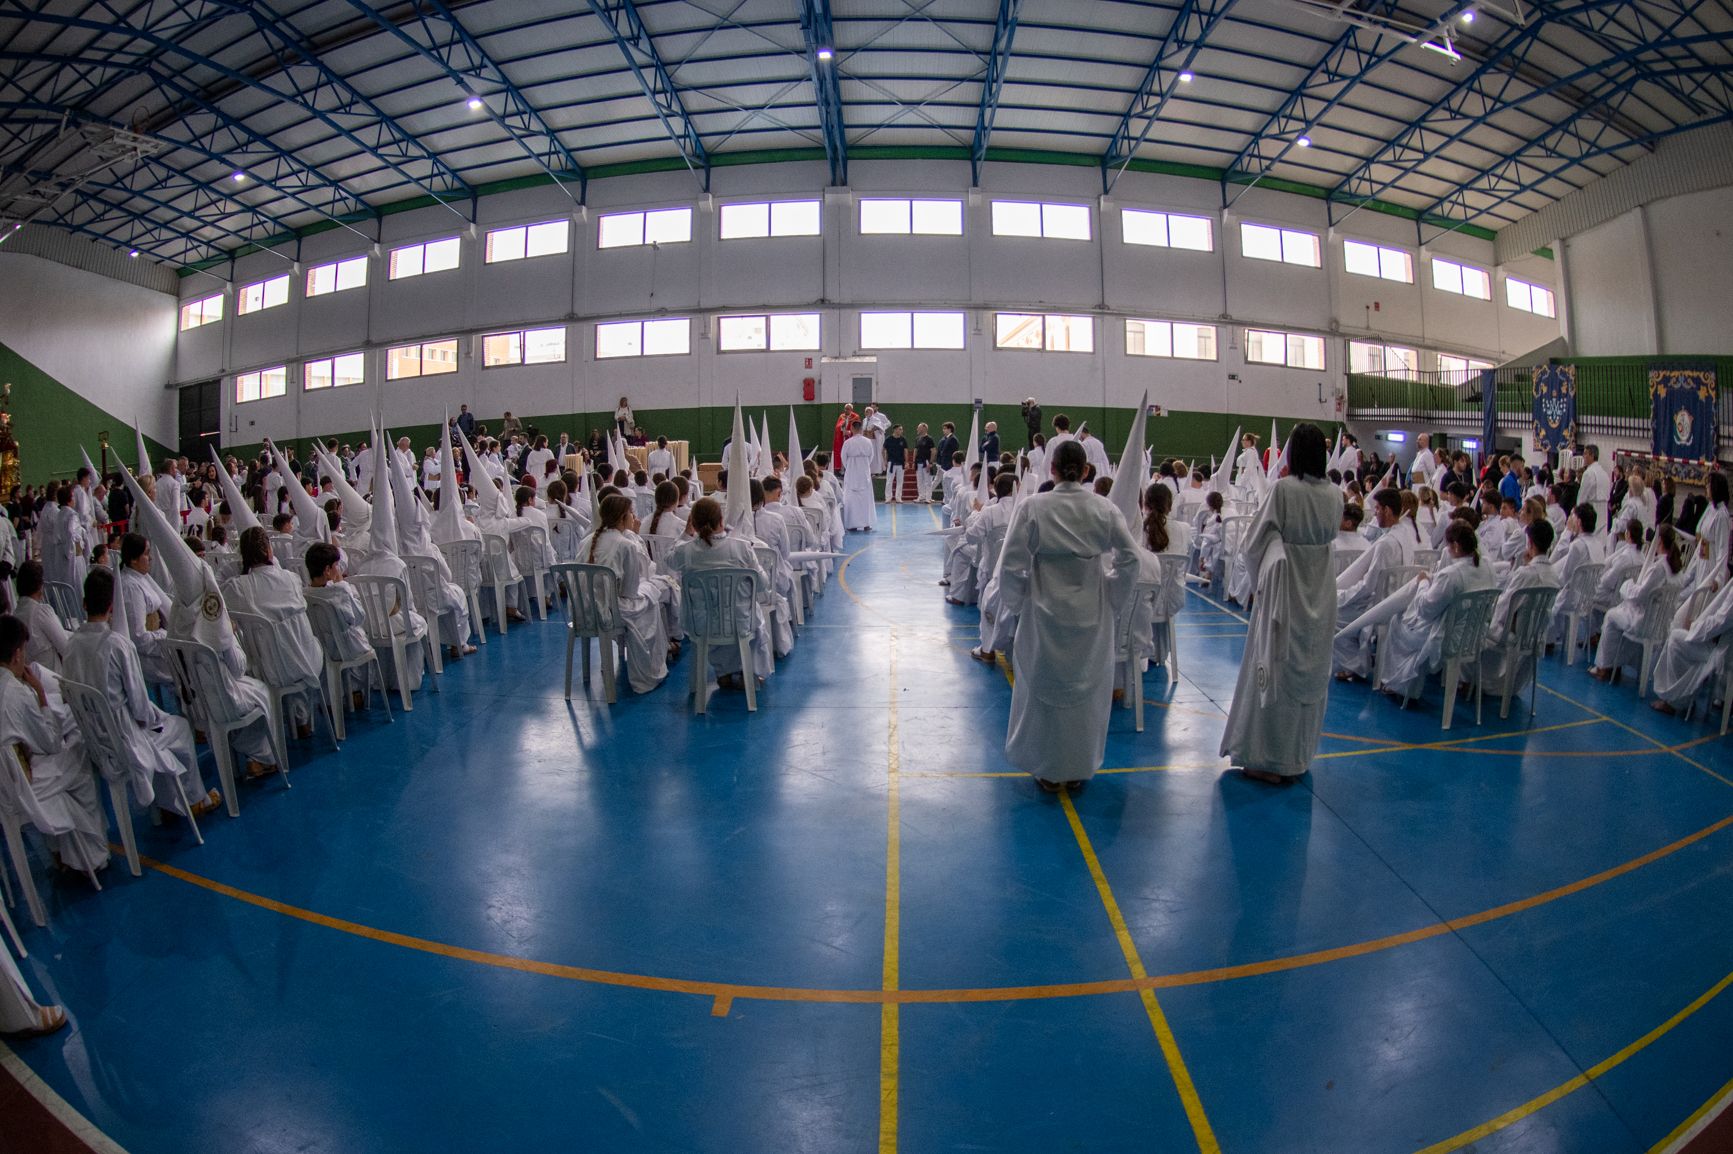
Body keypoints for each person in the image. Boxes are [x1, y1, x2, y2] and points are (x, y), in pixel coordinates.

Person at [997, 440, 1140, 791]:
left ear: (1052, 469)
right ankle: (1078, 766)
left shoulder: (1034, 507)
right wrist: (1113, 595)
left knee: (1042, 684)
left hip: (1044, 604)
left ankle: (1047, 766)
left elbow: (1011, 564)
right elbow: (1131, 559)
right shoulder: (1104, 510)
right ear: (1087, 470)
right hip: (1091, 605)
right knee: (1085, 690)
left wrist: (1018, 603)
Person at [1219, 423, 1340, 784]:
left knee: (1276, 663)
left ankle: (1269, 757)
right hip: (1320, 583)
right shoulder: (1335, 495)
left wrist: (1260, 578)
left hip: (1285, 586)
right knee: (1309, 666)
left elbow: (1255, 541)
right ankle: (1297, 756)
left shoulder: (1284, 490)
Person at [62, 568, 220, 818]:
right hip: (124, 738)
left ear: (84, 603)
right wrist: (154, 719)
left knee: (158, 727)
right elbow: (139, 706)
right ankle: (193, 799)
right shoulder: (117, 645)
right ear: (113, 606)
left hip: (95, 738)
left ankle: (169, 801)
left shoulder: (71, 645)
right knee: (177, 727)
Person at [0, 615, 110, 874]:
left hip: (8, 777)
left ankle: (64, 852)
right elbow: (49, 743)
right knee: (80, 756)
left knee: (66, 753)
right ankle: (91, 858)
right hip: (18, 786)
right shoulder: (15, 693)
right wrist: (40, 695)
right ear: (17, 654)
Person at [1378, 521, 1499, 700]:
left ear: (1456, 546)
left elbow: (1426, 610)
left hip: (1447, 640)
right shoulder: (1488, 566)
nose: (1447, 550)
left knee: (1397, 622)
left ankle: (1400, 686)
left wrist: (1423, 583)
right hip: (1476, 636)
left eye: (1448, 545)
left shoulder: (1452, 574)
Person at [664, 498, 773, 690]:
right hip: (740, 623)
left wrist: (685, 534)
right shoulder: (741, 547)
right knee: (752, 616)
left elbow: (668, 559)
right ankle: (746, 671)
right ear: (721, 521)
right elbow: (762, 584)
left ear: (693, 524)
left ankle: (724, 671)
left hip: (700, 624)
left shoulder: (686, 551)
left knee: (713, 613)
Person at [576, 494, 674, 693]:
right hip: (610, 611)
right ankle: (653, 667)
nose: (634, 516)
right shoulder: (626, 545)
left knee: (651, 591)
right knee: (652, 598)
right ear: (623, 517)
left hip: (583, 610)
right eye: (631, 513)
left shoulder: (586, 541)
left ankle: (663, 650)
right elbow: (629, 591)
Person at [1590, 523, 1688, 681]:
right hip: (1661, 623)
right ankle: (1616, 663)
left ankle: (1604, 666)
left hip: (1645, 622)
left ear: (1660, 542)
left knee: (1611, 616)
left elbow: (1640, 595)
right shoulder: (1678, 570)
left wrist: (1627, 586)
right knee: (1619, 614)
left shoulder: (1659, 568)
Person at [1475, 520, 1560, 700]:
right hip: (1535, 635)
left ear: (1530, 543)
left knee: (1475, 627)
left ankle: (1470, 680)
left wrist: (1488, 616)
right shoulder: (1554, 574)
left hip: (1511, 634)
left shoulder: (1525, 574)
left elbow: (1505, 604)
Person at [13, 561, 70, 674]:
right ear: (40, 586)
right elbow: (66, 648)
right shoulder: (41, 612)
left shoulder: (15, 614)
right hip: (50, 679)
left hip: (27, 678)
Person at [840, 422, 878, 531]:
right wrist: (864, 465)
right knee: (866, 498)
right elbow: (871, 457)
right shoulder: (868, 442)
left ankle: (852, 524)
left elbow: (843, 457)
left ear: (852, 428)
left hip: (852, 470)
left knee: (851, 498)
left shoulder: (848, 442)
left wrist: (850, 467)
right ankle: (866, 523)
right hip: (864, 470)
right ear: (861, 429)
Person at [883, 425, 908, 503]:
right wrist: (885, 461)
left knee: (900, 481)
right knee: (889, 481)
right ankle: (888, 497)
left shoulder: (903, 439)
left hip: (901, 463)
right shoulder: (888, 439)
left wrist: (906, 462)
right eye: (900, 429)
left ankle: (898, 497)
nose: (901, 431)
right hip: (891, 462)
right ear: (895, 430)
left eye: (901, 429)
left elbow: (906, 451)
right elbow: (883, 450)